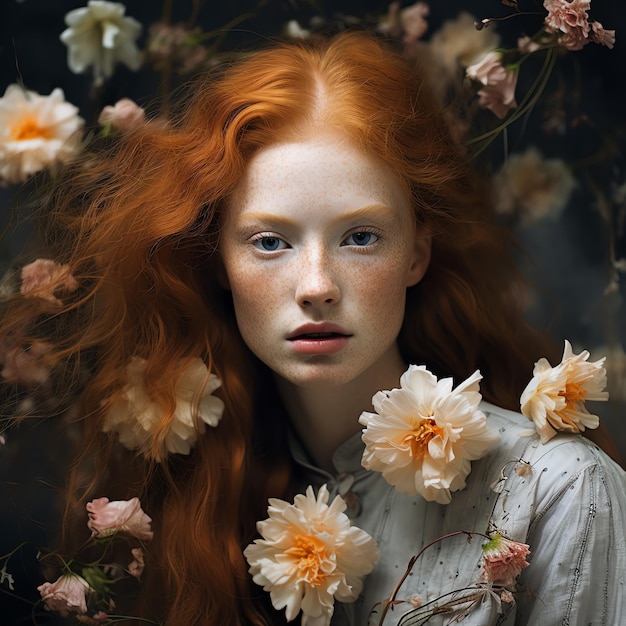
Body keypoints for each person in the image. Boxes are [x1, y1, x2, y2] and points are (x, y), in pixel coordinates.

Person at [1, 31, 624, 626]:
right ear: (219, 260)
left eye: (361, 237)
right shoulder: (207, 493)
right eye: (270, 241)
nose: (316, 285)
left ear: (416, 253)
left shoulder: (557, 488)